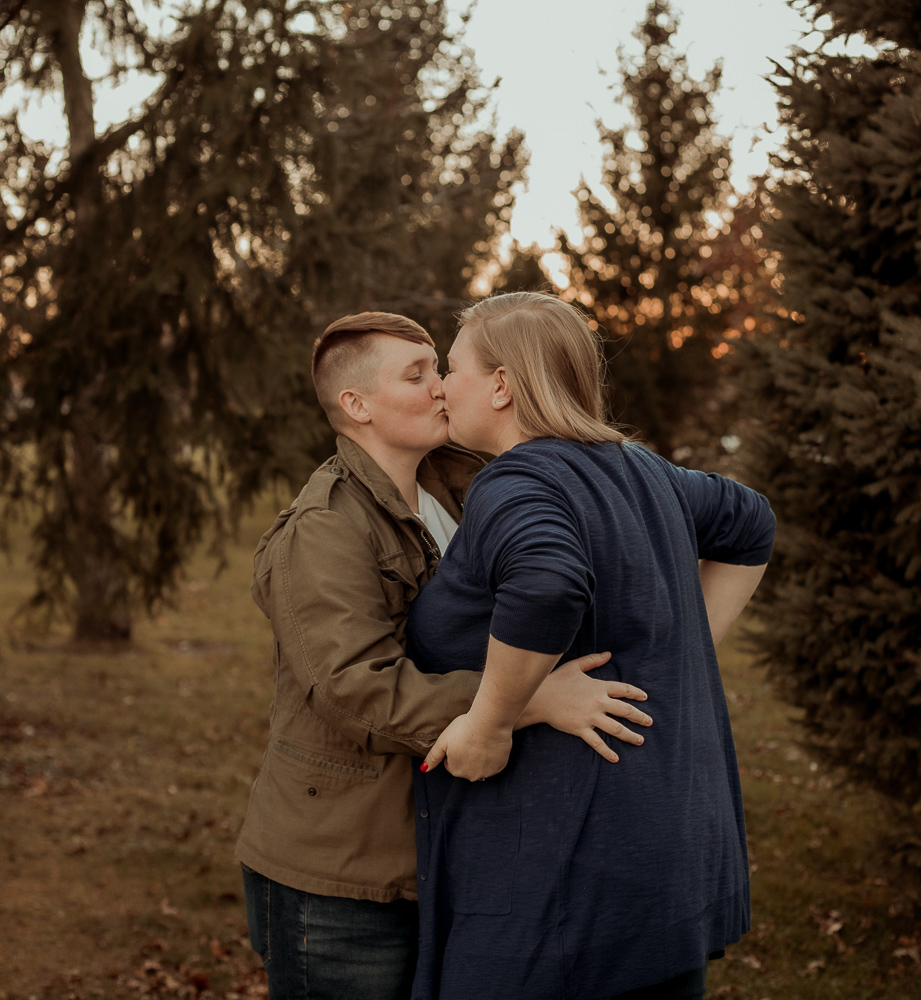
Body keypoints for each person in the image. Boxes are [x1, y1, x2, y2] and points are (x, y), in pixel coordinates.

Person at [235, 311, 654, 1000]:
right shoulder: (325, 529)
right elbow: (358, 691)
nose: (440, 386)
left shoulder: (464, 491)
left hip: (444, 851)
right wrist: (528, 701)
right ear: (357, 405)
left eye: (438, 367)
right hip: (342, 874)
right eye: (416, 375)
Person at [408, 292, 776, 1000]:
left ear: (502, 385)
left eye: (451, 368)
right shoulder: (643, 471)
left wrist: (489, 724)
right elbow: (751, 520)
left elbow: (547, 584)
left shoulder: (516, 480)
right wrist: (677, 646)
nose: (442, 386)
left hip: (561, 885)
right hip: (662, 865)